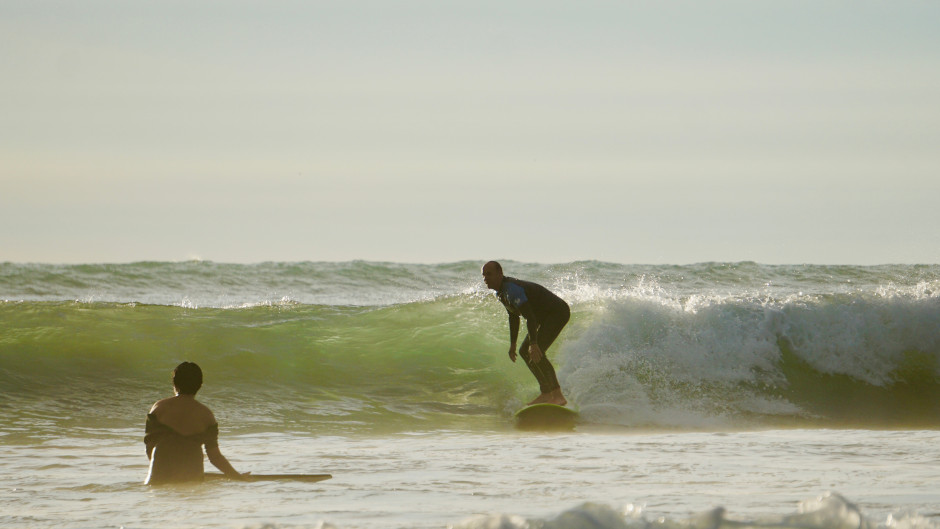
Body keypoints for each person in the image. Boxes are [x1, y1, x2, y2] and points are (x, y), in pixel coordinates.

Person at [482, 261, 569, 406]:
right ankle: (546, 393)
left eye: (489, 274)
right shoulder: (501, 293)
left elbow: (530, 317)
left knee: (537, 352)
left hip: (557, 312)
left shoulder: (512, 289)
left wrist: (534, 344)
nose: (485, 278)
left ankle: (558, 395)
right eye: (483, 275)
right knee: (524, 351)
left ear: (500, 274)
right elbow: (513, 316)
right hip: (544, 316)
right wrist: (513, 344)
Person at [144, 362, 245, 484]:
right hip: (192, 476)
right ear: (200, 385)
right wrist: (238, 477)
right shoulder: (206, 415)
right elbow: (215, 457)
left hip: (159, 476)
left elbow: (149, 447)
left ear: (174, 383)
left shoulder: (159, 408)